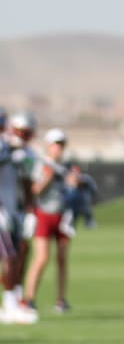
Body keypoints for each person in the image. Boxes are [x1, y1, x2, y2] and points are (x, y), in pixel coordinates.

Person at [21, 129, 75, 313]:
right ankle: (29, 298)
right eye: (55, 145)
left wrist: (75, 184)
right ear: (48, 146)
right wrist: (47, 179)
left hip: (63, 216)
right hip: (44, 214)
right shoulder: (40, 164)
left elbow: (71, 191)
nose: (58, 149)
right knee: (42, 258)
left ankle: (61, 299)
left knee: (62, 258)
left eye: (61, 145)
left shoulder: (67, 166)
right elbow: (34, 190)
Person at [0, 111, 39, 324]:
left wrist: (30, 213)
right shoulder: (4, 148)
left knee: (19, 255)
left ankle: (14, 300)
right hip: (2, 212)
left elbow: (27, 186)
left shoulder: (24, 154)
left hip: (15, 212)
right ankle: (9, 305)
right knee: (10, 257)